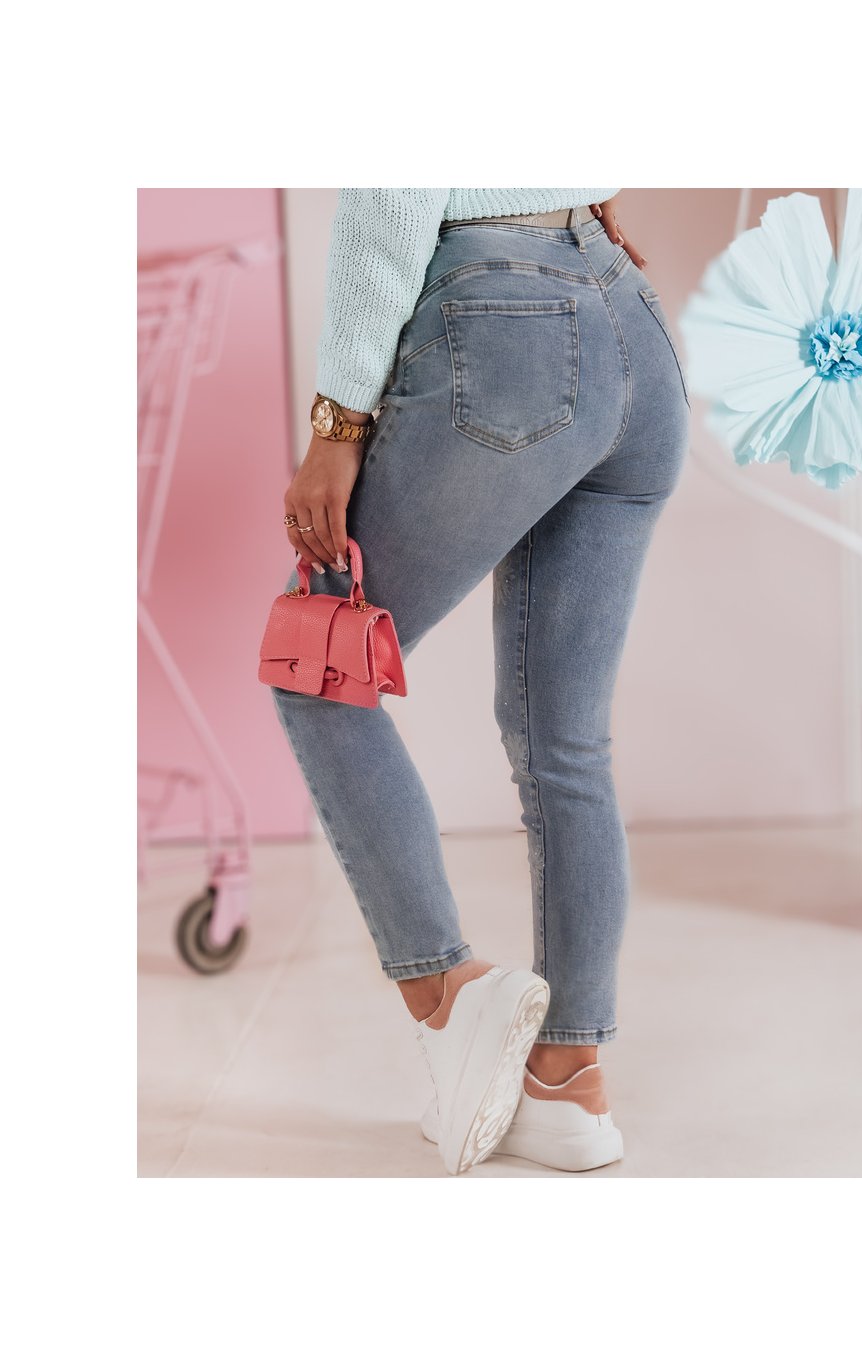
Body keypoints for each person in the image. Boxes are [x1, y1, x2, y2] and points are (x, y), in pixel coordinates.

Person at [270, 189, 689, 1175]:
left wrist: (336, 426)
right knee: (564, 742)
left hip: (508, 328)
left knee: (317, 666)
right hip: (630, 325)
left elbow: (392, 191)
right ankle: (567, 1084)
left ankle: (450, 998)